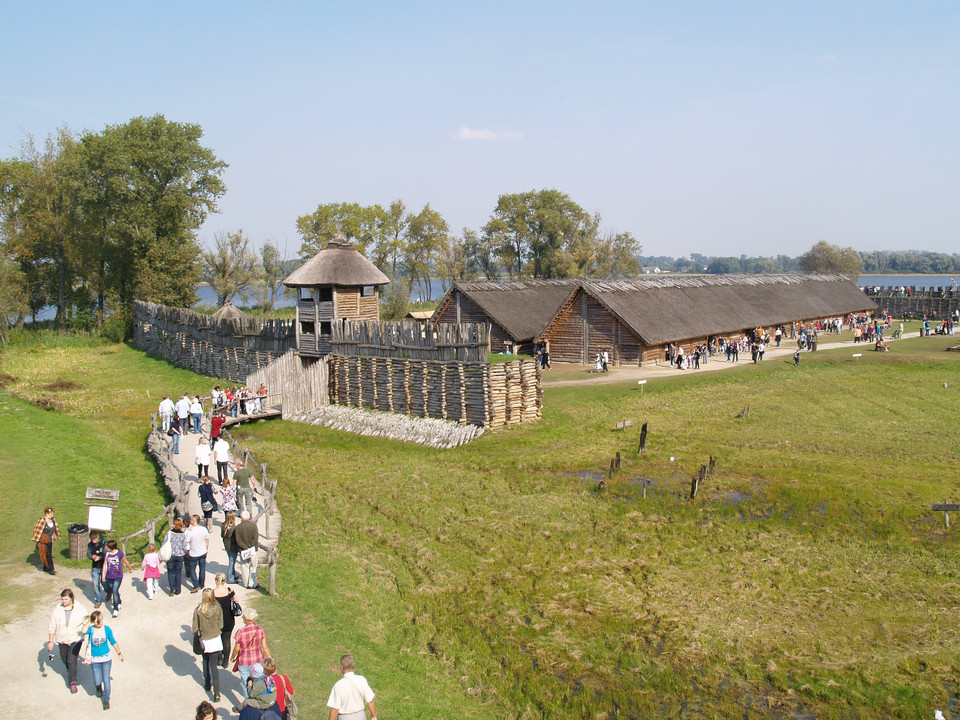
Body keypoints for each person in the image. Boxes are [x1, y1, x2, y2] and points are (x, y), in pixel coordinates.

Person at [47, 588, 88, 694]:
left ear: (71, 598)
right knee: (65, 659)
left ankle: (72, 681)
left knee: (71, 660)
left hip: (76, 639)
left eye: (65, 599)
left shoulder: (80, 609)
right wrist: (51, 641)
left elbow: (87, 620)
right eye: (62, 599)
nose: (63, 601)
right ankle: (72, 671)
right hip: (62, 639)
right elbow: (52, 625)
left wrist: (85, 629)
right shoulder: (57, 610)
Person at [81, 609, 124, 710]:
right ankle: (98, 687)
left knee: (106, 680)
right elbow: (83, 631)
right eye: (97, 621)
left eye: (101, 620)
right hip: (95, 659)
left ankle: (106, 700)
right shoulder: (91, 630)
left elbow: (113, 641)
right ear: (94, 621)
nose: (100, 623)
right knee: (97, 680)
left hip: (106, 659)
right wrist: (89, 622)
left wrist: (119, 654)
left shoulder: (107, 629)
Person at [192, 588, 224, 702]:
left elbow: (194, 628)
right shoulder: (217, 608)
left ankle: (207, 683)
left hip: (204, 640)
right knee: (213, 665)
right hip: (215, 639)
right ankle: (217, 693)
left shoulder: (198, 610)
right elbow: (221, 625)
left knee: (205, 662)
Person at [230, 608, 270, 697]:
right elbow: (265, 646)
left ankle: (248, 704)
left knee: (246, 684)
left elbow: (237, 648)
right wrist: (269, 657)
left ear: (245, 619)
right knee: (258, 682)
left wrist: (233, 657)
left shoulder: (241, 631)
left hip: (244, 661)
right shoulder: (260, 630)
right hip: (258, 660)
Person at [326, 654, 377, 720]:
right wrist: (374, 716)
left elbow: (335, 709)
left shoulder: (338, 685)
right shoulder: (361, 680)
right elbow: (370, 701)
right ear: (353, 665)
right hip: (361, 716)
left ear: (341, 667)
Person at [101, 539, 133, 618]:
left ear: (111, 547)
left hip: (118, 576)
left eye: (107, 547)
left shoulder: (119, 553)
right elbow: (105, 564)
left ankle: (115, 609)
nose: (106, 548)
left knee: (115, 591)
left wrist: (130, 568)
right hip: (109, 575)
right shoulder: (107, 554)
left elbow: (125, 561)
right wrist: (103, 575)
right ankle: (119, 601)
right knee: (113, 590)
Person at [212, 572, 238, 668]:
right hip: (229, 619)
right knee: (226, 640)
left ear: (216, 581)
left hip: (217, 620)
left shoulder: (212, 592)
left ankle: (219, 658)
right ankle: (226, 661)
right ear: (224, 581)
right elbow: (236, 601)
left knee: (218, 639)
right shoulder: (229, 591)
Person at [184, 514, 211, 592]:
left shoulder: (190, 532)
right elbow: (207, 540)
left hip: (194, 553)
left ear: (193, 521)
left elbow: (186, 542)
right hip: (202, 552)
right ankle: (201, 583)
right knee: (202, 568)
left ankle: (196, 585)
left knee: (192, 569)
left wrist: (188, 551)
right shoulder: (204, 529)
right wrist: (206, 549)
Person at [234, 510, 260, 590]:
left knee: (245, 566)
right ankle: (252, 583)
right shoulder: (253, 526)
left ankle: (246, 584)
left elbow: (238, 540)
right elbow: (255, 538)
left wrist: (245, 547)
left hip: (243, 550)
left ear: (241, 518)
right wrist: (250, 546)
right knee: (253, 566)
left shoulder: (238, 527)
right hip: (253, 549)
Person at [33, 506, 60, 574]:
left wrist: (56, 536)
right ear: (46, 513)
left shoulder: (53, 520)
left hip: (50, 540)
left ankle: (45, 567)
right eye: (50, 513)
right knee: (48, 555)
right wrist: (37, 540)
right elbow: (38, 530)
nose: (51, 515)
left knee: (48, 554)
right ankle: (51, 569)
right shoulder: (42, 521)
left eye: (52, 513)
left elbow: (55, 529)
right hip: (43, 541)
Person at [164, 517, 187, 595]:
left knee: (170, 572)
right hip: (180, 555)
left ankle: (172, 588)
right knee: (178, 572)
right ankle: (178, 589)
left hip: (171, 555)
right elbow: (184, 547)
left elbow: (164, 543)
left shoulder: (169, 533)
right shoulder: (183, 535)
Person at [87, 530, 106, 608]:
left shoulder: (104, 543)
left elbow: (106, 554)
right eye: (92, 540)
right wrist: (92, 556)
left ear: (97, 537)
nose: (94, 541)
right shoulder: (90, 545)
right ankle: (98, 600)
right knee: (95, 584)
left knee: (104, 582)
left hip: (103, 566)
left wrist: (100, 557)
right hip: (95, 567)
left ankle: (108, 592)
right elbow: (88, 554)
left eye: (94, 539)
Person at [222, 512, 240, 585]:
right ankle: (230, 578)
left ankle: (233, 575)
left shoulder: (223, 525)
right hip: (232, 546)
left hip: (226, 545)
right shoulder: (233, 528)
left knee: (231, 561)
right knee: (231, 562)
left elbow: (222, 535)